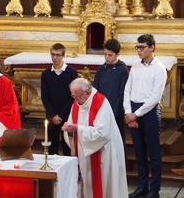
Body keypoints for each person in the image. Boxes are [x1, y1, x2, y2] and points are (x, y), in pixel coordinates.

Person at [62, 78, 128, 198]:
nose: (76, 100)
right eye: (73, 96)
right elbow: (72, 126)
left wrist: (77, 128)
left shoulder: (101, 102)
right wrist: (69, 131)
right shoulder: (76, 104)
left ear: (87, 92)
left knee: (104, 186)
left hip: (104, 153)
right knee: (87, 185)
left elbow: (102, 133)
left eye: (77, 96)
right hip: (85, 153)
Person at [124, 34, 167, 198]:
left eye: (142, 47)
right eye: (137, 47)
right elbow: (127, 90)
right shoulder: (135, 66)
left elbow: (155, 98)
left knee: (153, 152)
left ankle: (154, 189)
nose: (139, 50)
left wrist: (135, 114)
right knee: (139, 151)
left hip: (149, 111)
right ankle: (142, 187)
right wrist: (128, 112)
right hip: (133, 109)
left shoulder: (159, 68)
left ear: (152, 47)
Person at [41, 43, 78, 155]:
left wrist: (61, 115)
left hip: (67, 115)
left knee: (67, 146)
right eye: (53, 54)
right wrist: (53, 115)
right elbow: (44, 96)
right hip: (51, 116)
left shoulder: (72, 73)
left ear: (63, 56)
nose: (55, 58)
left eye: (58, 55)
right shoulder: (46, 74)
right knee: (52, 147)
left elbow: (73, 97)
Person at [93, 38, 129, 142]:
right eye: (105, 54)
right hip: (101, 111)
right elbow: (96, 90)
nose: (106, 57)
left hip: (116, 112)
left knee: (117, 141)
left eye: (110, 55)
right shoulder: (101, 69)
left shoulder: (122, 70)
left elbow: (122, 93)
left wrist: (114, 112)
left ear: (117, 55)